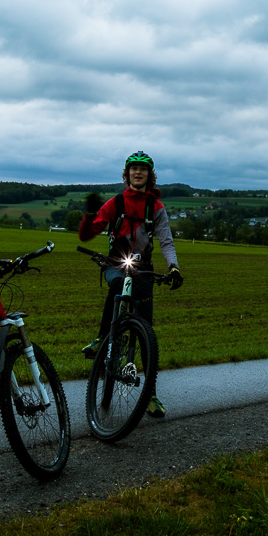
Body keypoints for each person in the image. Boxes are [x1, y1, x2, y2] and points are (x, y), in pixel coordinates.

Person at [78, 150, 184, 418]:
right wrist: (89, 214)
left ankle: (151, 395)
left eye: (143, 169)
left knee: (147, 333)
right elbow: (88, 234)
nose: (138, 172)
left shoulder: (156, 208)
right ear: (127, 174)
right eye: (134, 169)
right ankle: (102, 337)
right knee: (116, 286)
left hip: (143, 269)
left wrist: (173, 267)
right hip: (116, 264)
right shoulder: (116, 203)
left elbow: (166, 240)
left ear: (150, 175)